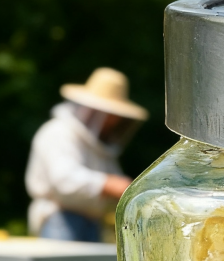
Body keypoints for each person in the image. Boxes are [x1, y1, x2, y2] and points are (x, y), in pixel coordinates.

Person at [25, 68, 148, 242]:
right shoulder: (59, 132)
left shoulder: (98, 143)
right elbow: (64, 180)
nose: (114, 121)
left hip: (92, 222)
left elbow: (116, 181)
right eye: (110, 115)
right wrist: (108, 184)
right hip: (60, 220)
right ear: (93, 110)